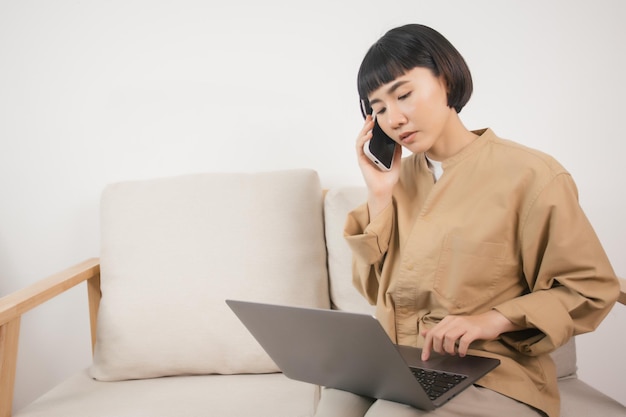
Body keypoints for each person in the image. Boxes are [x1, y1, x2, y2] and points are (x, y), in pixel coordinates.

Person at [314, 24, 620, 417]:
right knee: (335, 403)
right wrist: (379, 195)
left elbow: (590, 288)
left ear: (445, 79)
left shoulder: (532, 175)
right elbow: (375, 292)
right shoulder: (397, 181)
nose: (394, 117)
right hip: (404, 362)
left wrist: (493, 320)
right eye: (378, 108)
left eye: (404, 94)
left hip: (495, 374)